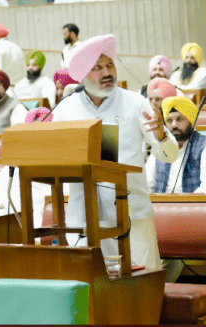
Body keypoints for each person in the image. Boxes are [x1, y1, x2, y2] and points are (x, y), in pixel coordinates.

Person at [52, 34, 179, 270]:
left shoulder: (135, 103)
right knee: (94, 286)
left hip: (131, 216)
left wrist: (162, 135)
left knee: (142, 283)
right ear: (83, 75)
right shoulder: (65, 109)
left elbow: (170, 155)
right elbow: (55, 159)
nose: (107, 72)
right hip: (85, 220)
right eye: (97, 68)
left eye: (110, 65)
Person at [0, 109, 67, 228]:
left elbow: (68, 199)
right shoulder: (12, 168)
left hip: (44, 226)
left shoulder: (64, 167)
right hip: (11, 227)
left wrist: (51, 211)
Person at [146, 96, 206, 194]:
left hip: (196, 203)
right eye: (169, 120)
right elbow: (147, 186)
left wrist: (183, 202)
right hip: (159, 203)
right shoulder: (160, 148)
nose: (174, 125)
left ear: (191, 121)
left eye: (179, 119)